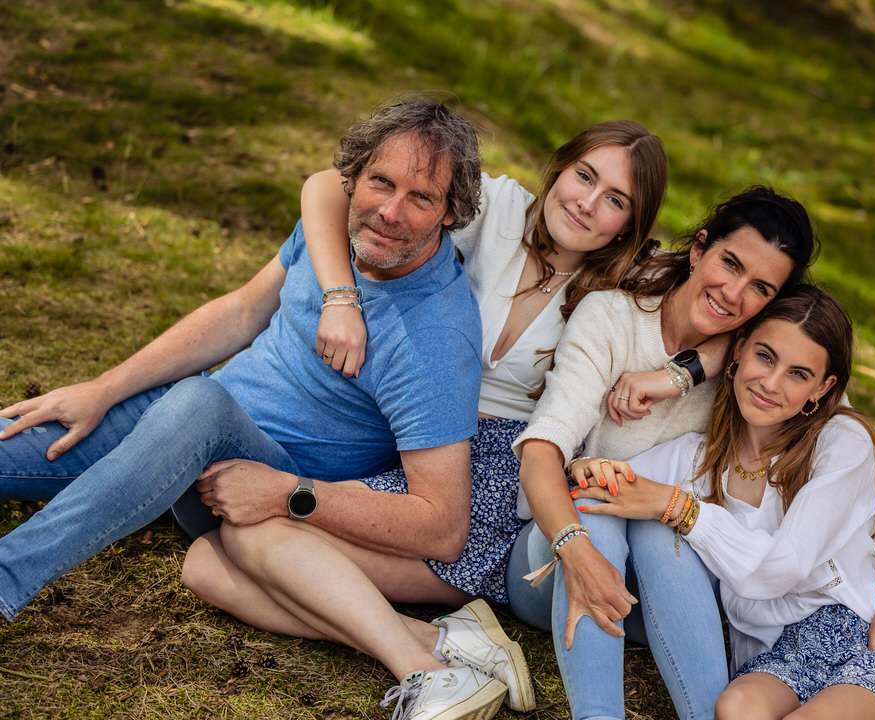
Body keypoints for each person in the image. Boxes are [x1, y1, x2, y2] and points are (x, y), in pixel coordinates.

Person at [0, 98, 514, 720]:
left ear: (452, 212)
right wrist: (104, 388)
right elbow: (242, 312)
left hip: (238, 487)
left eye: (421, 198)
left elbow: (442, 525)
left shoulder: (432, 338)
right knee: (18, 440)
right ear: (356, 177)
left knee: (200, 401)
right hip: (174, 430)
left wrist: (289, 493)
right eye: (380, 182)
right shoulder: (338, 238)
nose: (390, 211)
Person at [180, 120, 670, 716]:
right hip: (424, 444)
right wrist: (341, 296)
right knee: (205, 564)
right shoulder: (494, 206)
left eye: (616, 200)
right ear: (560, 169)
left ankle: (431, 668)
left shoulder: (633, 286)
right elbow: (326, 188)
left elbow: (741, 309)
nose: (588, 204)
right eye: (584, 176)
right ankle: (443, 645)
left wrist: (676, 375)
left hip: (496, 477)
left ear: (630, 224)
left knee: (232, 545)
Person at [506, 186, 821, 720]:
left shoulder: (758, 370)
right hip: (558, 552)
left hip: (663, 587)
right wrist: (577, 551)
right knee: (600, 499)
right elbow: (542, 450)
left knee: (661, 513)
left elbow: (863, 447)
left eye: (760, 288)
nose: (733, 292)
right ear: (699, 250)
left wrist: (685, 374)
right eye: (729, 262)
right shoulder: (613, 318)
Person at [572, 285, 875, 720]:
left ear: (822, 387)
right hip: (777, 657)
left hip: (865, 634)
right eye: (766, 357)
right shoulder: (695, 458)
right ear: (737, 352)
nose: (771, 384)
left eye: (798, 374)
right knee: (734, 708)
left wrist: (683, 509)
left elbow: (783, 566)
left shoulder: (840, 441)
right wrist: (589, 469)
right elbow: (600, 487)